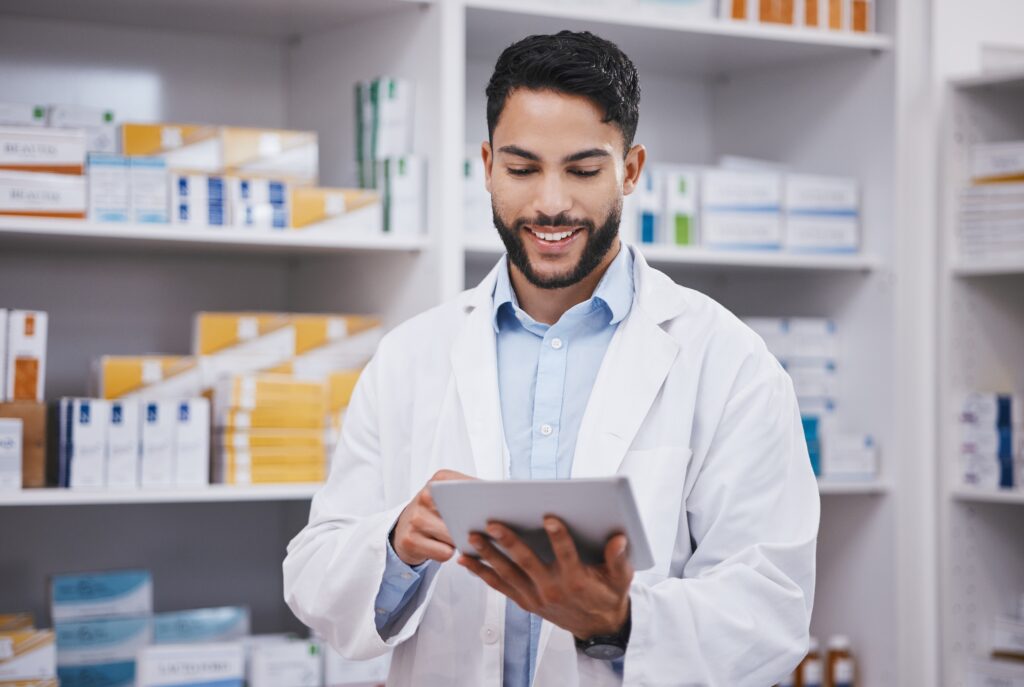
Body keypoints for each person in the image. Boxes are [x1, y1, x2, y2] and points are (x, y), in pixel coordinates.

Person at [284, 30, 819, 687]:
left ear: (631, 168)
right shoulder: (411, 354)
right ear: (485, 164)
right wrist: (396, 545)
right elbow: (313, 570)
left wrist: (619, 619)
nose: (551, 202)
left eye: (584, 170)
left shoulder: (728, 361)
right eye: (522, 167)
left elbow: (773, 611)